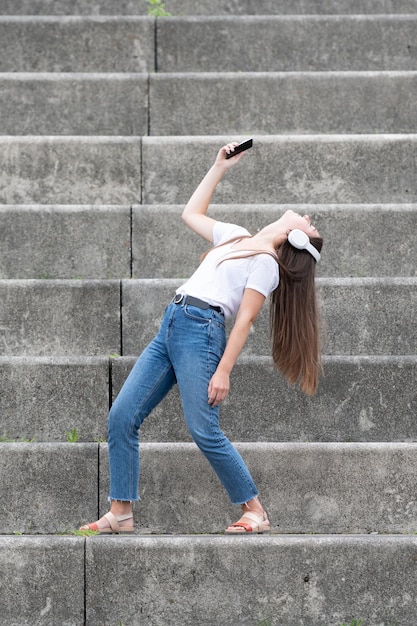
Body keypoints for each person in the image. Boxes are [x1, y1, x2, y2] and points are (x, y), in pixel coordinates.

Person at [80, 142, 323, 535]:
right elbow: (191, 214)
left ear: (297, 239)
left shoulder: (266, 264)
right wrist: (219, 167)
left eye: (311, 225)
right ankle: (120, 512)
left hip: (202, 332)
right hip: (172, 324)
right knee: (122, 416)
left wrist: (223, 370)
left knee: (203, 428)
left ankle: (255, 511)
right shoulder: (236, 237)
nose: (308, 217)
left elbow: (244, 320)